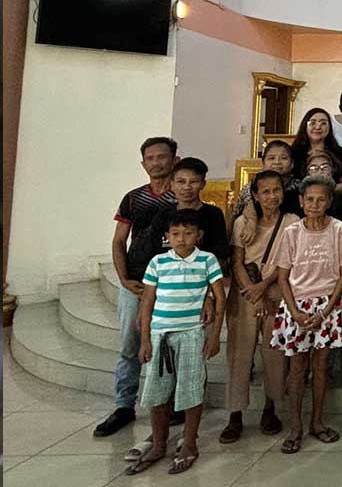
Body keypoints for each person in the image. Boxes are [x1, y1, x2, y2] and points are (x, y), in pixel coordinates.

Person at [124, 210, 226, 475]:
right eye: (176, 234)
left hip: (191, 334)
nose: (182, 239)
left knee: (191, 391)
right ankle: (158, 445)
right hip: (160, 335)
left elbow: (220, 298)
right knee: (157, 394)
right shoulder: (158, 262)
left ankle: (190, 444)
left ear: (199, 236)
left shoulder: (207, 260)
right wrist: (145, 339)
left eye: (188, 233)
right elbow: (147, 302)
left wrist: (214, 337)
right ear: (167, 236)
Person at [97, 137, 179, 438]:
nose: (156, 162)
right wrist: (122, 278)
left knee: (169, 345)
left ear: (174, 158)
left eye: (162, 157)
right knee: (130, 344)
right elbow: (119, 240)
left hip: (172, 284)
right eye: (150, 158)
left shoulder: (181, 195)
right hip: (136, 281)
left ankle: (168, 403)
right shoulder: (133, 198)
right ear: (143, 163)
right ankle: (123, 405)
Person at [270, 175, 342, 454]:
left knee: (321, 368)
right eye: (310, 199)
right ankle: (295, 427)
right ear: (301, 201)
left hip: (328, 306)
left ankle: (317, 422)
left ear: (330, 202)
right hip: (297, 306)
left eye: (321, 199)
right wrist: (294, 311)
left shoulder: (339, 230)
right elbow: (283, 276)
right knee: (297, 369)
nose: (315, 204)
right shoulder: (292, 232)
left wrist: (326, 311)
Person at [219, 171, 297, 444]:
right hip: (245, 295)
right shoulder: (243, 222)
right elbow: (237, 260)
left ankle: (270, 408)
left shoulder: (292, 222)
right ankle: (235, 414)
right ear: (255, 195)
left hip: (276, 292)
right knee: (239, 354)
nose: (272, 196)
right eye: (265, 191)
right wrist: (251, 291)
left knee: (274, 354)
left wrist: (263, 287)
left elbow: (288, 261)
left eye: (277, 190)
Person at [232, 140, 302, 235]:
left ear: (292, 164)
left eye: (284, 158)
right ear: (263, 163)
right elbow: (248, 206)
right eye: (271, 158)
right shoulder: (251, 186)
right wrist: (252, 220)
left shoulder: (300, 187)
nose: (277, 162)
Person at [290, 107, 342, 196]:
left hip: (333, 202)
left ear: (329, 127)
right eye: (312, 123)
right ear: (305, 126)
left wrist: (325, 190)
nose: (318, 127)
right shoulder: (295, 152)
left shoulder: (339, 152)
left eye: (323, 123)